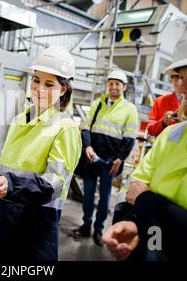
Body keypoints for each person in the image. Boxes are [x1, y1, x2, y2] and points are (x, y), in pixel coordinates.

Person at [102, 14, 187, 261]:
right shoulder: (174, 134)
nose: (182, 89)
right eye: (181, 77)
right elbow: (132, 190)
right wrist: (139, 229)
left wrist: (147, 201)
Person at [0, 46, 82, 261]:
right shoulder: (19, 119)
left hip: (36, 220)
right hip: (5, 213)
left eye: (49, 84)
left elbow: (55, 183)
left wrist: (10, 185)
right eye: (36, 80)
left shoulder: (65, 128)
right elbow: (5, 161)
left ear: (63, 90)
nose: (39, 88)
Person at [73, 69, 139, 246]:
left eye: (118, 83)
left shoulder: (129, 109)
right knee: (88, 195)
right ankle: (86, 225)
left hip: (111, 162)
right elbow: (85, 127)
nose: (114, 87)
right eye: (111, 83)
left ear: (124, 87)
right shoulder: (98, 104)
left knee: (104, 196)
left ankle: (99, 228)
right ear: (107, 85)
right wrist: (87, 146)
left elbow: (130, 137)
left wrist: (120, 158)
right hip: (91, 157)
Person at [147, 71, 182, 137]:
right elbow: (150, 130)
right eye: (175, 77)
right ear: (172, 80)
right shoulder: (160, 101)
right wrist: (163, 122)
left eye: (181, 77)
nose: (179, 81)